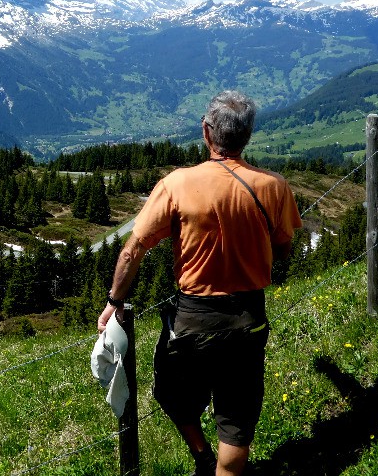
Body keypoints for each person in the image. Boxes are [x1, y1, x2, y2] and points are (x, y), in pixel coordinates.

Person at [98, 90, 302, 476]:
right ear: (248, 136)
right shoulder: (275, 186)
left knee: (171, 394)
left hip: (193, 319)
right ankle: (219, 464)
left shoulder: (177, 184)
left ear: (206, 133)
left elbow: (132, 250)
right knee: (236, 423)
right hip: (248, 316)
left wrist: (114, 301)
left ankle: (202, 457)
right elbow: (285, 248)